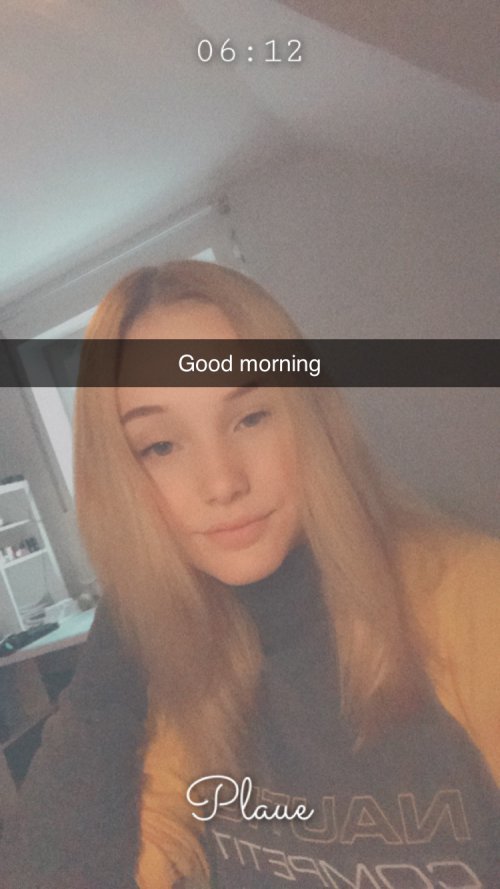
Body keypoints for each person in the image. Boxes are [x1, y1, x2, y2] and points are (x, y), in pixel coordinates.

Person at [0, 260, 499, 889]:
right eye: (161, 446)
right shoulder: (179, 644)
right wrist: (131, 598)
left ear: (308, 416)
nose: (222, 483)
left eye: (250, 418)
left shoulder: (474, 596)